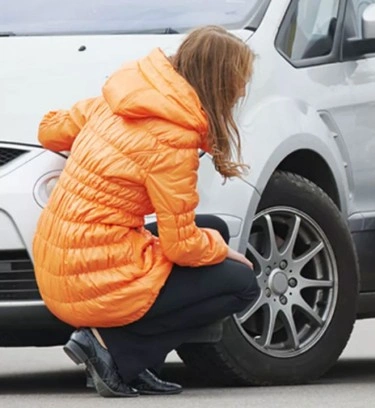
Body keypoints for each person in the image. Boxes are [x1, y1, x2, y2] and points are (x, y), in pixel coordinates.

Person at [31, 25, 260, 398]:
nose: (241, 92)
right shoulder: (174, 138)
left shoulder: (124, 97)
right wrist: (222, 250)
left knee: (213, 226)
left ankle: (130, 360)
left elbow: (49, 131)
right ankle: (115, 351)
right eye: (239, 83)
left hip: (59, 258)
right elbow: (181, 246)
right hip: (91, 275)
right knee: (241, 283)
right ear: (220, 84)